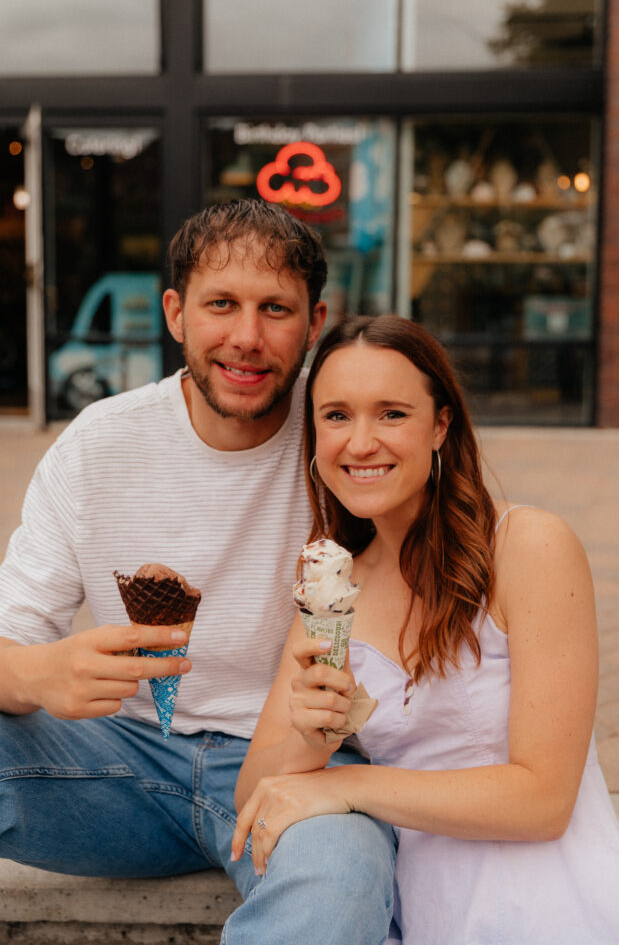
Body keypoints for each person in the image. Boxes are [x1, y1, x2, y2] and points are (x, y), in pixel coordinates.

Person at [0, 201, 393, 945]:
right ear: (176, 313)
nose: (246, 338)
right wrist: (41, 672)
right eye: (221, 305)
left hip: (296, 766)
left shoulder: (346, 437)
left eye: (274, 309)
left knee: (341, 878)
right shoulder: (100, 445)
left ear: (315, 324)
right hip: (115, 769)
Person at [229, 314, 619, 945]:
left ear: (441, 425)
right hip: (425, 909)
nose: (360, 443)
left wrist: (348, 785)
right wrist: (311, 737)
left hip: (551, 901)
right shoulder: (332, 593)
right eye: (335, 416)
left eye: (391, 414)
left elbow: (544, 800)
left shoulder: (527, 547)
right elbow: (255, 791)